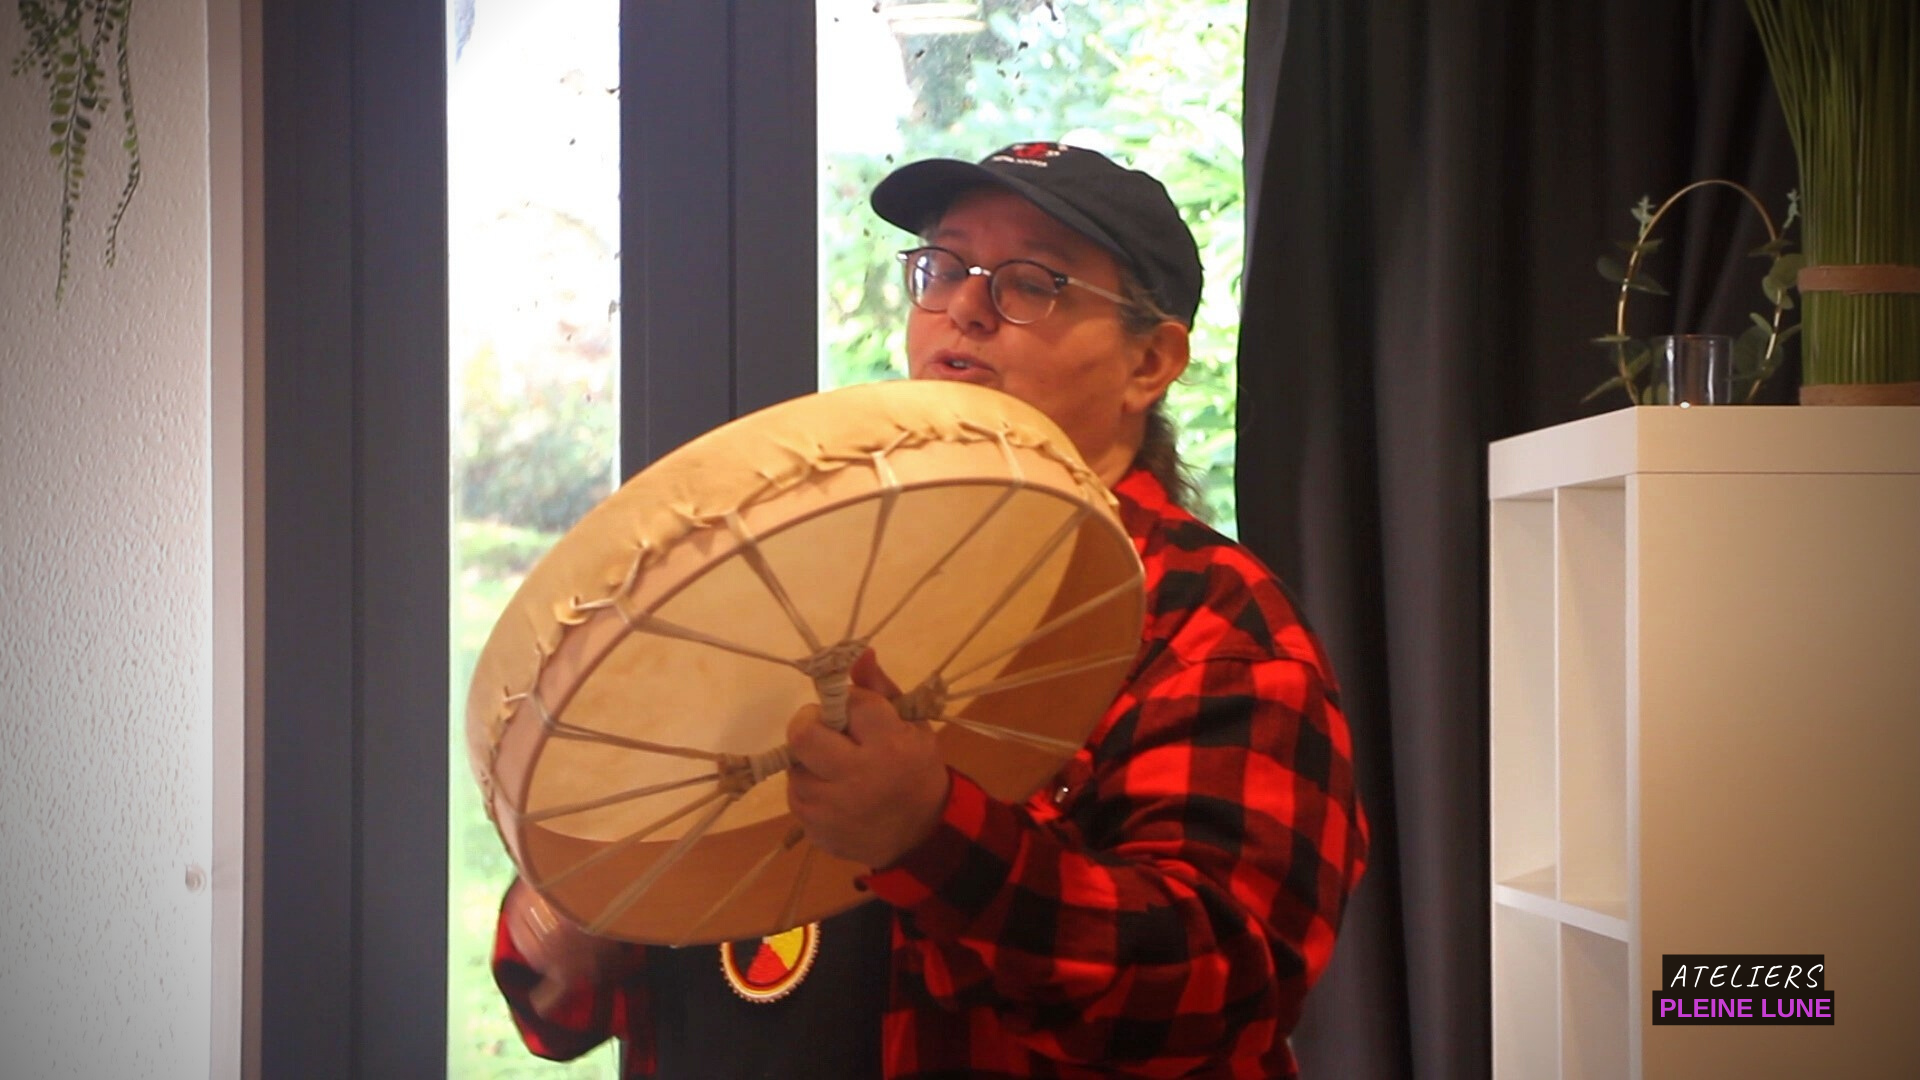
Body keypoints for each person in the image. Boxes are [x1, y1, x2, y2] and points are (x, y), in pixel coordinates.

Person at [493, 141, 1369, 1078]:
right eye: (942, 267)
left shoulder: (1214, 622)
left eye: (1032, 283)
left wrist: (931, 836)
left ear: (1149, 362)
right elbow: (578, 995)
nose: (965, 307)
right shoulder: (810, 555)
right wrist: (572, 921)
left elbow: (1220, 995)